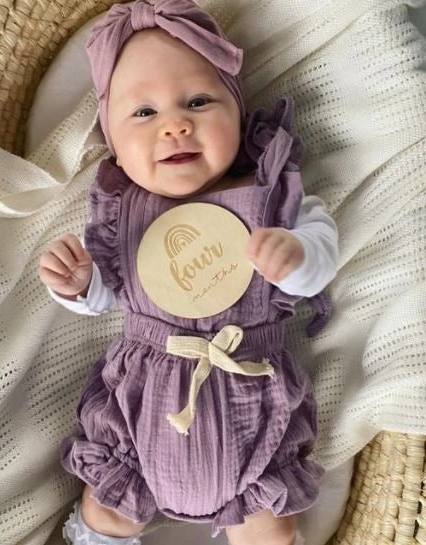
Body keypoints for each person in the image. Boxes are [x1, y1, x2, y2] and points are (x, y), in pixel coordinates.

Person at [38, 1, 338, 544]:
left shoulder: (271, 197)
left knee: (269, 524)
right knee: (109, 506)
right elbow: (107, 295)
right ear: (114, 144)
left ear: (237, 112)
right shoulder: (124, 215)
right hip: (143, 405)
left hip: (252, 400)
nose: (176, 125)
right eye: (143, 113)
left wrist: (297, 257)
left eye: (198, 101)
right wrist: (79, 284)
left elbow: (321, 253)